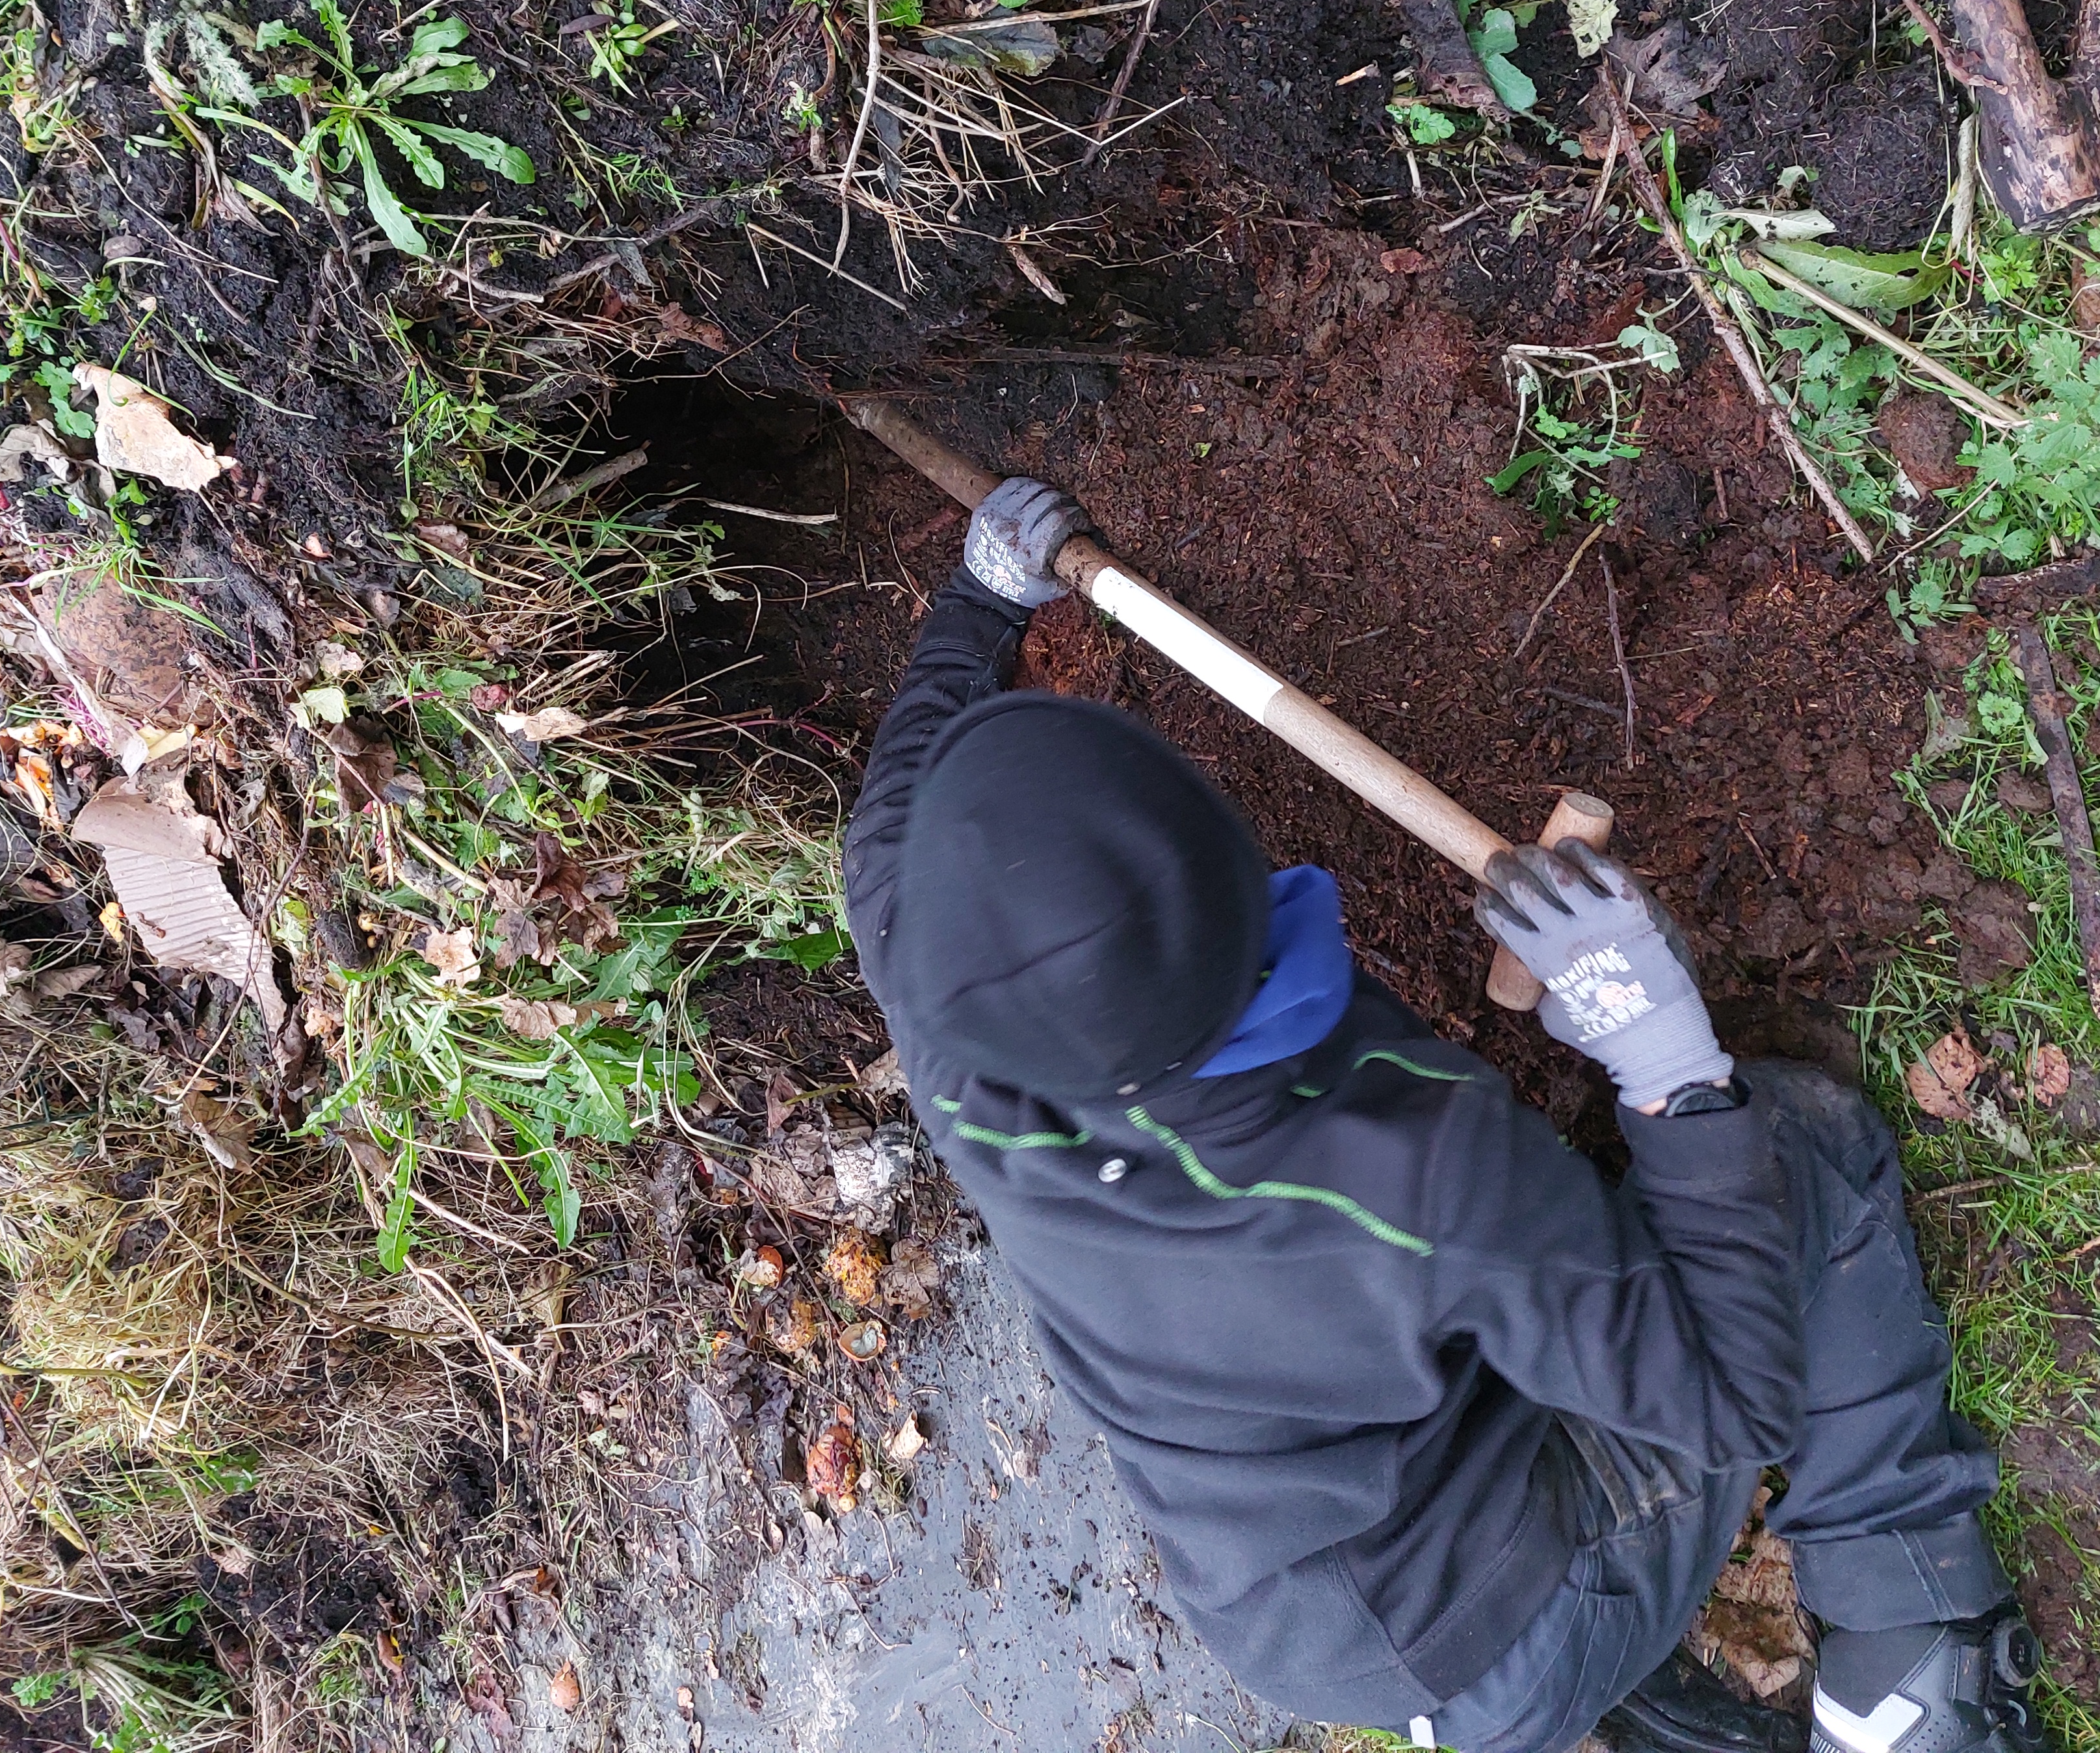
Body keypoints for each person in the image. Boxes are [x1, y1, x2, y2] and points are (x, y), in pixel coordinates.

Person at [841, 473, 2050, 1753]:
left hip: (1279, 1600)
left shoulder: (951, 1023)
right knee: (1796, 1147)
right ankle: (1916, 1670)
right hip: (1487, 1616)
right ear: (1218, 853)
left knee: (1518, 1302)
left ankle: (1600, 1685)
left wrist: (981, 597)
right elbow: (1724, 1394)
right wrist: (1665, 1061)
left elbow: (894, 812)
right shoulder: (1400, 1166)